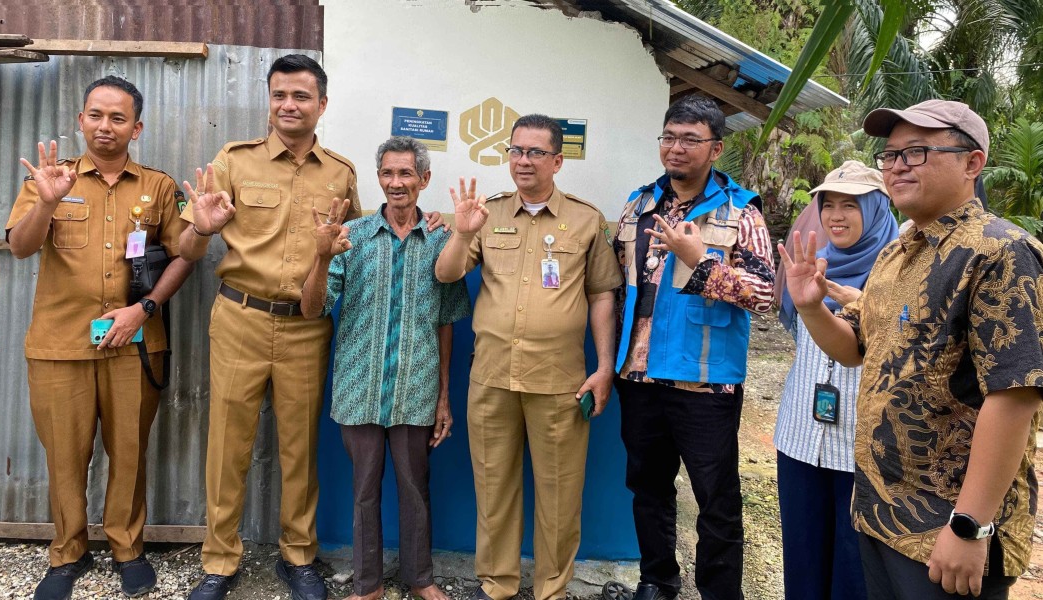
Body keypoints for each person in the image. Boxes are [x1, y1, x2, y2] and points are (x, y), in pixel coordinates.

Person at [780, 99, 1043, 599]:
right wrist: (811, 308)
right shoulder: (898, 253)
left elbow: (1015, 396)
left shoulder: (1000, 251)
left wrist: (970, 525)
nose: (897, 165)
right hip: (881, 514)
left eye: (917, 152)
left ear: (972, 163)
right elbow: (857, 348)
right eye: (891, 154)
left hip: (946, 529)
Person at [176, 54, 363, 600]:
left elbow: (354, 252)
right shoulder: (234, 162)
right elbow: (188, 247)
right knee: (227, 446)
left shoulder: (342, 174)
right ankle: (219, 561)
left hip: (307, 327)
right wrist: (202, 230)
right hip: (239, 318)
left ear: (321, 105)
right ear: (269, 99)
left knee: (299, 448)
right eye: (280, 94)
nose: (289, 105)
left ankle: (298, 556)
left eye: (302, 96)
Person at [5, 76, 194, 600]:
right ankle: (68, 552)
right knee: (65, 455)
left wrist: (146, 306)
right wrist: (46, 203)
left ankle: (127, 548)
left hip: (134, 343)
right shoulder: (50, 177)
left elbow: (186, 252)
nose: (104, 126)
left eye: (117, 118)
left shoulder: (157, 186)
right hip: (60, 345)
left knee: (129, 451)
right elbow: (20, 248)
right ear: (80, 119)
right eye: (95, 115)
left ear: (137, 127)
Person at [435, 114, 622, 600]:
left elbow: (603, 294)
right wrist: (459, 232)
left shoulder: (585, 219)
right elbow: (448, 274)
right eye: (516, 151)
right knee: (493, 489)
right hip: (492, 376)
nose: (523, 161)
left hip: (559, 381)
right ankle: (496, 584)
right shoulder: (487, 213)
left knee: (560, 496)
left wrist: (604, 368)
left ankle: (550, 590)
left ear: (558, 161)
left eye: (536, 152)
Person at [605, 95, 775, 600]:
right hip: (639, 375)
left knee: (716, 499)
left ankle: (720, 592)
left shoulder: (740, 211)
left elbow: (766, 295)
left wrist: (700, 261)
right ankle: (658, 580)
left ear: (716, 147)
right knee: (648, 489)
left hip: (706, 381)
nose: (675, 148)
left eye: (689, 139)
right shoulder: (638, 205)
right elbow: (618, 283)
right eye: (668, 137)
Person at [299, 136, 471, 600]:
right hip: (359, 388)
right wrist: (320, 255)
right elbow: (313, 309)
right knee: (363, 493)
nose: (397, 183)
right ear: (379, 179)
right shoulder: (349, 237)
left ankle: (420, 579)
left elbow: (447, 322)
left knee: (416, 489)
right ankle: (367, 584)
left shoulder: (441, 239)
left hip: (414, 391)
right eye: (388, 174)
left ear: (424, 180)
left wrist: (442, 398)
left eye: (406, 174)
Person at [772, 161, 898, 600]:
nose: (836, 216)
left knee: (855, 569)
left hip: (864, 446)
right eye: (828, 205)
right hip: (800, 437)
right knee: (802, 563)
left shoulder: (903, 269)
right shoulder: (810, 262)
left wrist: (867, 305)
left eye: (851, 205)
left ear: (879, 209)